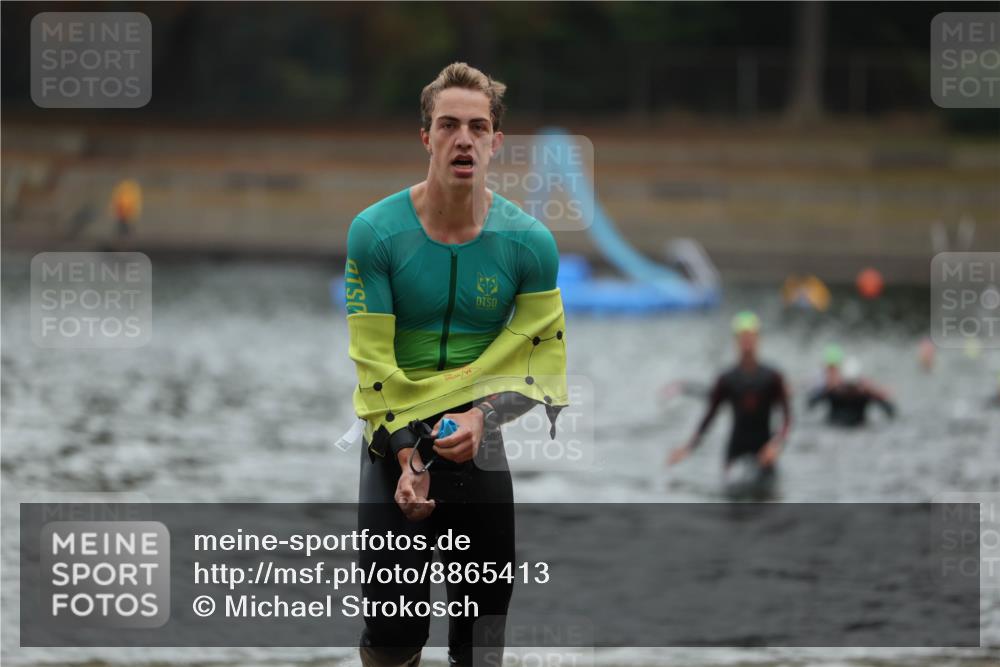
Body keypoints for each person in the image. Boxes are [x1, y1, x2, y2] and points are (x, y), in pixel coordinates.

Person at [344, 63, 567, 667]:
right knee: (393, 644)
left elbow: (542, 369)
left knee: (480, 651)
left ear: (496, 142)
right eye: (448, 125)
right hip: (392, 448)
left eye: (476, 126)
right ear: (426, 137)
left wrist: (482, 419)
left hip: (480, 447)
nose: (462, 139)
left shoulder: (530, 244)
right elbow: (371, 367)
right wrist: (409, 457)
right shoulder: (374, 233)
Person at [667, 311, 792, 488]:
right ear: (736, 341)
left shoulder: (773, 377)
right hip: (735, 450)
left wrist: (776, 445)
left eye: (751, 336)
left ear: (758, 339)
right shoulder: (727, 379)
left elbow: (788, 418)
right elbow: (709, 417)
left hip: (765, 453)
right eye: (743, 337)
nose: (747, 341)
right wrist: (688, 448)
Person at [806, 356, 895, 427]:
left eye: (853, 387)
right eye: (847, 387)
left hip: (844, 427)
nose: (850, 391)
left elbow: (890, 411)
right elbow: (810, 404)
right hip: (839, 427)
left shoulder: (863, 395)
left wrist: (874, 392)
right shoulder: (836, 393)